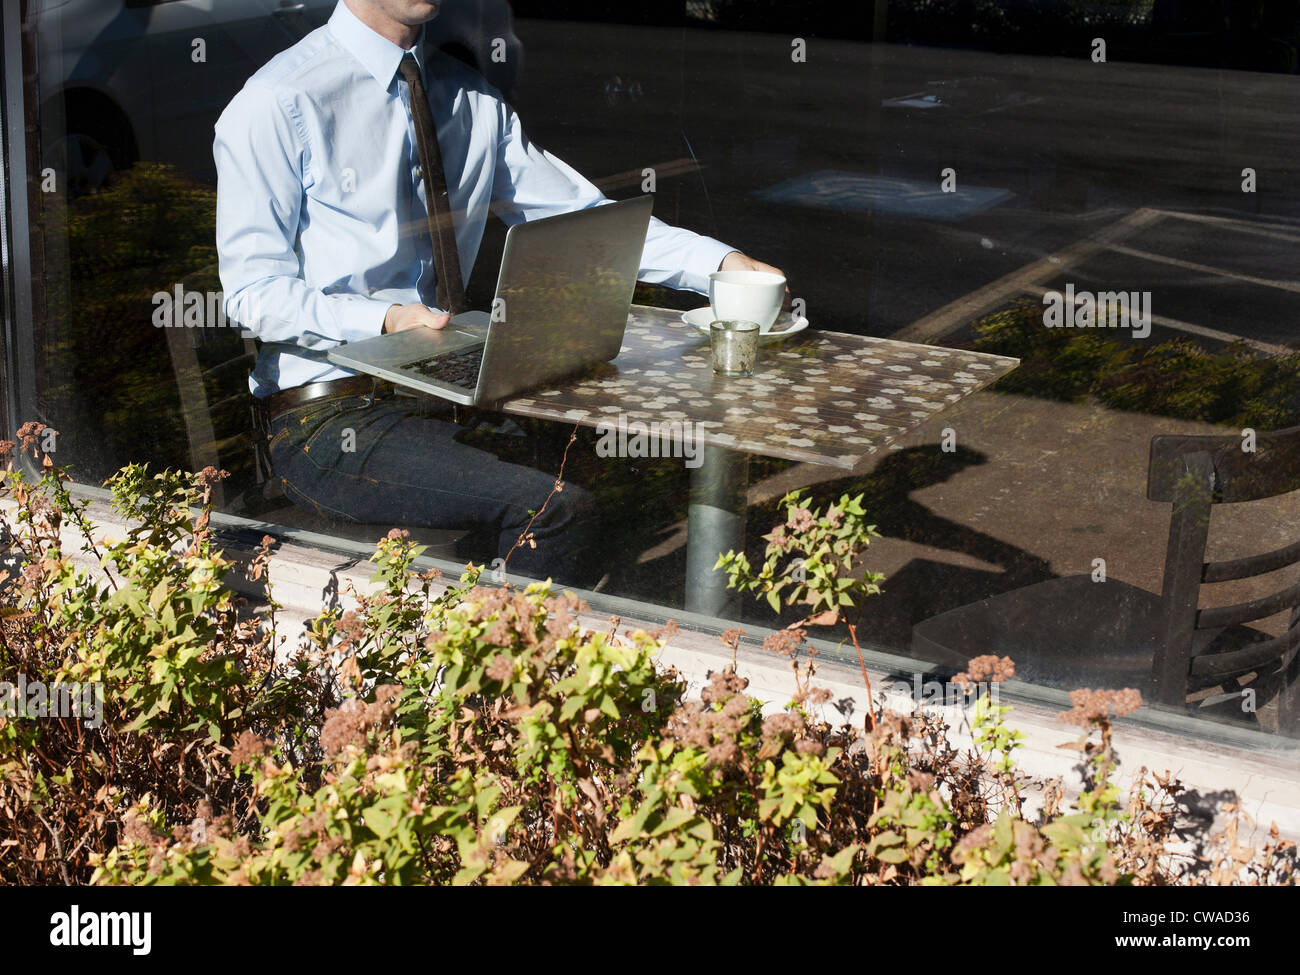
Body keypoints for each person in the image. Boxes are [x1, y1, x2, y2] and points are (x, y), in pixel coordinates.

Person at [214, 0, 785, 585]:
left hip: (449, 390)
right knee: (551, 506)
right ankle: (497, 663)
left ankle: (501, 641)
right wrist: (384, 318)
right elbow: (252, 294)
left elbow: (587, 223)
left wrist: (720, 263)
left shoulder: (470, 98)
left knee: (622, 483)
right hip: (331, 416)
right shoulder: (278, 102)